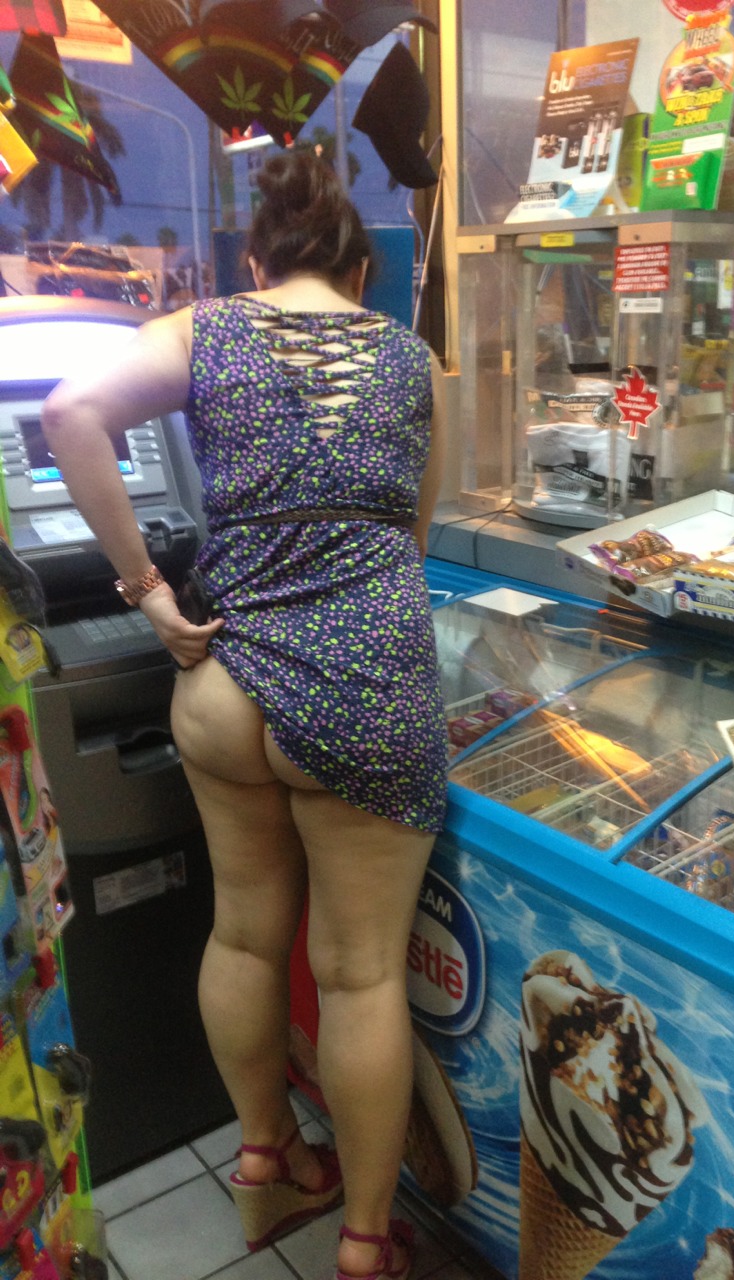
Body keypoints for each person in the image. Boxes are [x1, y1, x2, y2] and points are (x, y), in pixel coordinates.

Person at [41, 149, 448, 1280]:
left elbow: (70, 410)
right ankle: (364, 1244)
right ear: (360, 273)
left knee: (242, 932)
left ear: (257, 263)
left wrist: (147, 591)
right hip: (362, 685)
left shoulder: (204, 329)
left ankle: (266, 1162)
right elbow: (412, 544)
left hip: (222, 680)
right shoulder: (412, 358)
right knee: (360, 973)